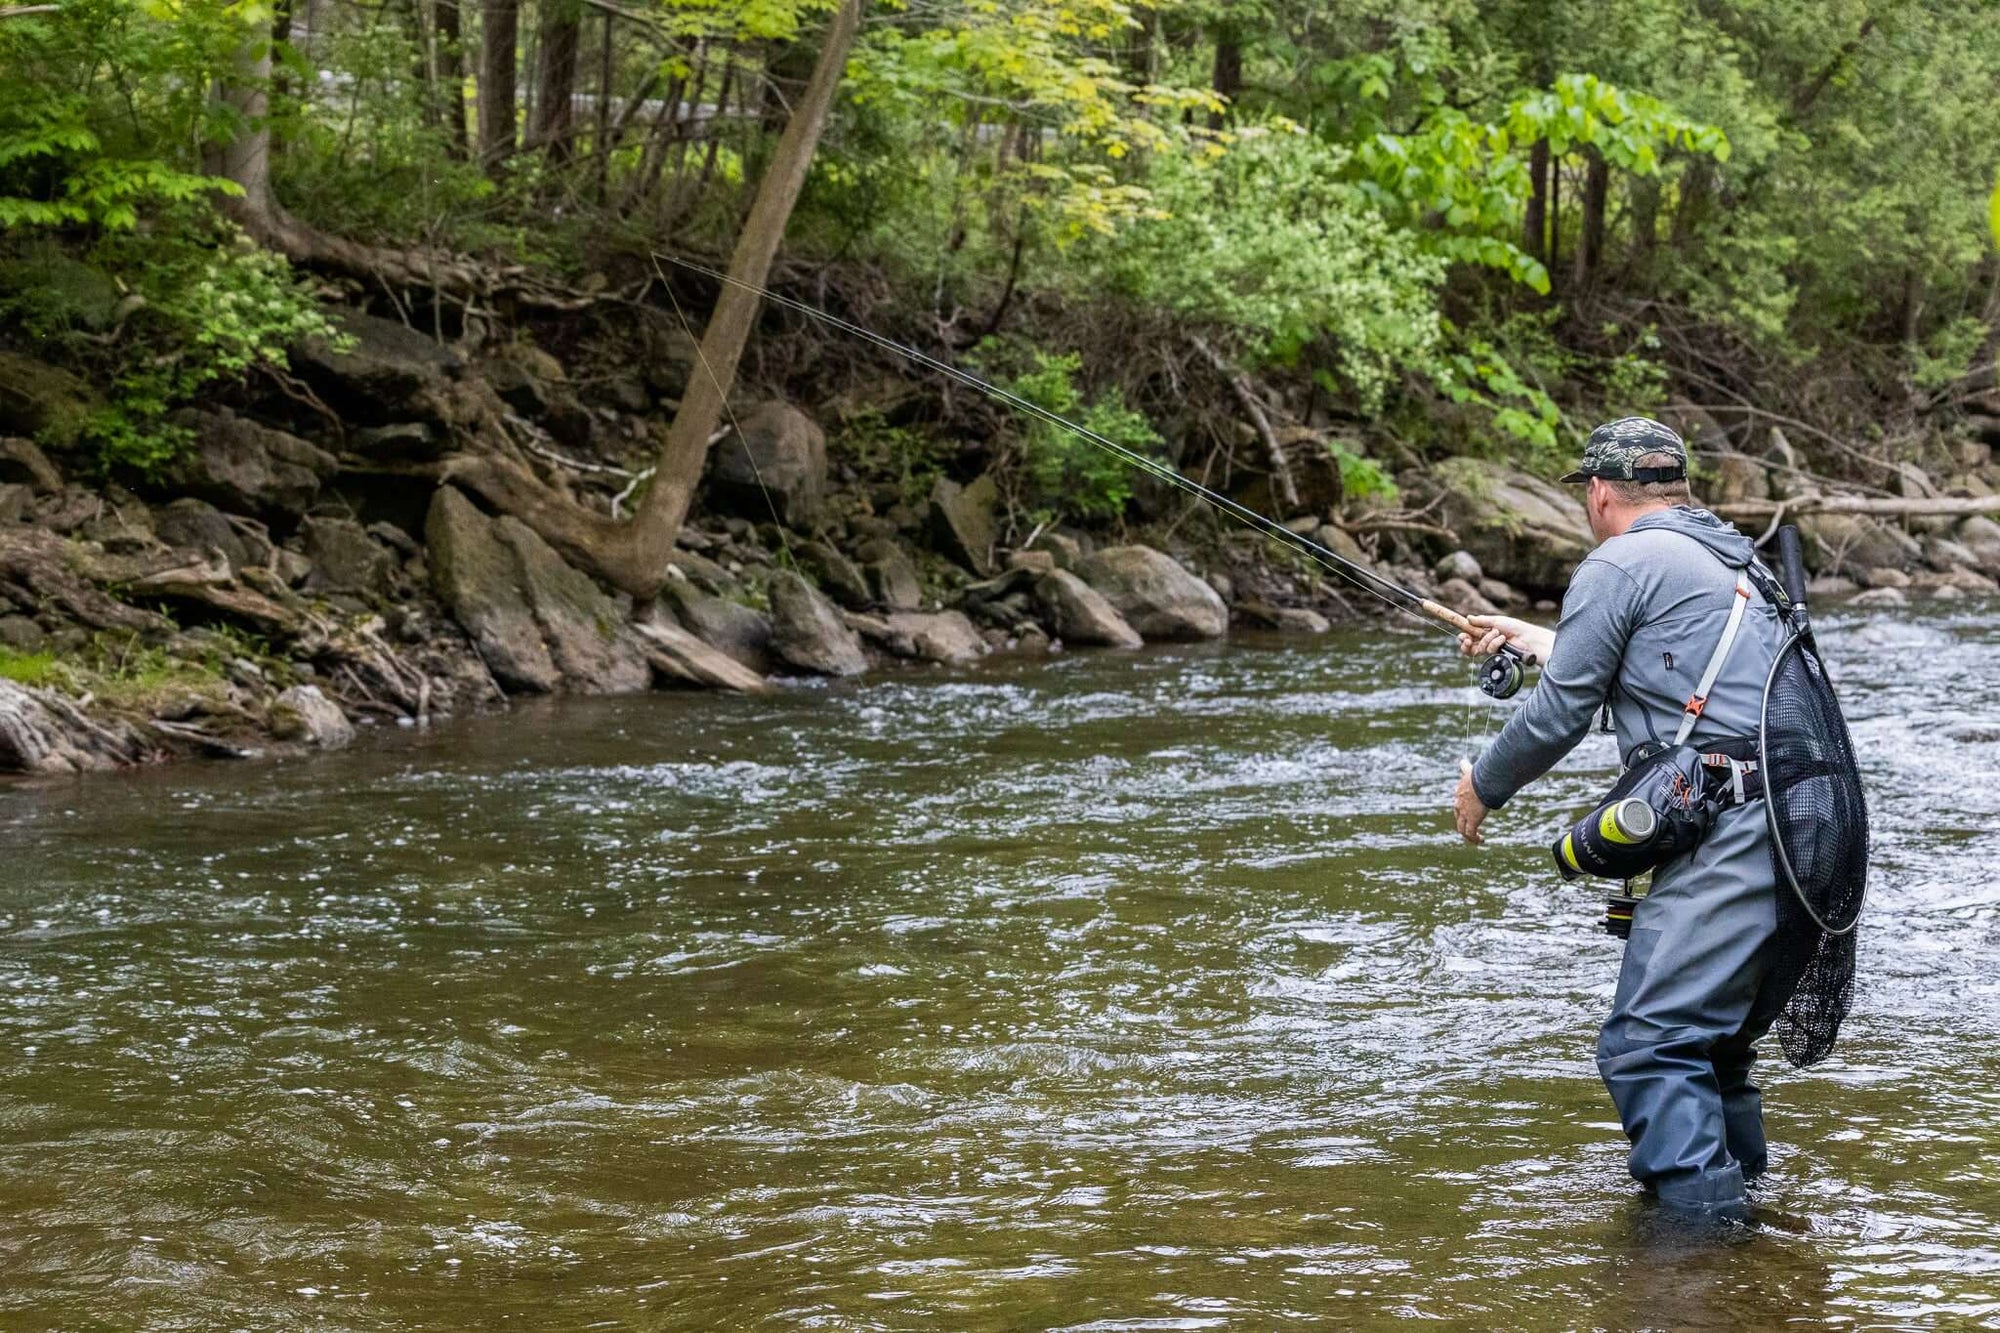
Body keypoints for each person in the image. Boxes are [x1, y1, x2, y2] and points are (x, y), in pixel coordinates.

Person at [1449, 416, 1792, 1224]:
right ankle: (1755, 1236)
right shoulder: (1730, 555)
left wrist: (1481, 788)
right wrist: (1543, 639)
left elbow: (1556, 718)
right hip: (1801, 823)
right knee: (1711, 1049)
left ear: (1600, 493)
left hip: (1729, 829)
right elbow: (1673, 676)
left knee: (1648, 1044)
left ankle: (1695, 1266)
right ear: (1676, 486)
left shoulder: (1619, 560)